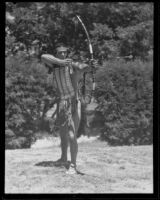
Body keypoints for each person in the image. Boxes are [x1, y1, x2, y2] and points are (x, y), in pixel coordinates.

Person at [41, 43, 97, 174]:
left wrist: (90, 65)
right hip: (61, 102)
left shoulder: (72, 65)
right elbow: (43, 56)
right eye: (60, 53)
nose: (62, 54)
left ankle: (73, 165)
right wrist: (60, 61)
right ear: (56, 54)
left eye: (64, 52)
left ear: (67, 53)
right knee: (63, 133)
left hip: (73, 102)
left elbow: (83, 67)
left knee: (72, 135)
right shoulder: (55, 65)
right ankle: (63, 158)